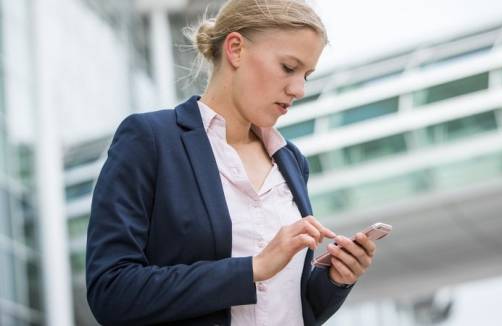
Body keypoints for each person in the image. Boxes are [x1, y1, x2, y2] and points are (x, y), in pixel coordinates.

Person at [85, 0, 377, 325]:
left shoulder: (291, 161)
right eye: (288, 67)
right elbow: (111, 291)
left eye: (306, 75)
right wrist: (251, 269)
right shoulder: (151, 140)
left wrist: (336, 279)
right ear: (235, 49)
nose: (299, 89)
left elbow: (289, 307)